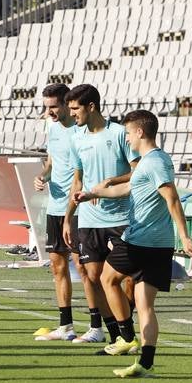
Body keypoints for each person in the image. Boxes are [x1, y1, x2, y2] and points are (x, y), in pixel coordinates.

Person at [73, 109, 192, 376]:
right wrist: (93, 193)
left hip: (139, 240)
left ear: (140, 132)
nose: (127, 139)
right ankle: (144, 363)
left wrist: (186, 236)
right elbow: (128, 188)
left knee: (106, 279)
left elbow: (172, 198)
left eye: (129, 133)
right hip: (158, 244)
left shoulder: (153, 162)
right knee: (144, 305)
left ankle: (126, 335)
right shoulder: (152, 161)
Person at [62, 83, 139, 348]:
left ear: (91, 106)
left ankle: (126, 328)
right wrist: (67, 216)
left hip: (121, 218)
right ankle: (117, 335)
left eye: (75, 109)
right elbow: (78, 178)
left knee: (124, 279)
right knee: (93, 278)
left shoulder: (119, 134)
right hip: (89, 220)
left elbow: (137, 171)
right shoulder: (76, 137)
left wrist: (110, 182)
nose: (72, 114)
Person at [31, 83, 96, 341]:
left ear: (67, 103)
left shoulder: (82, 131)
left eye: (53, 106)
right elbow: (52, 160)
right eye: (46, 107)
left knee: (83, 268)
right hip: (55, 206)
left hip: (78, 209)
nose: (49, 112)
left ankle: (96, 327)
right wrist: (43, 176)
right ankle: (66, 326)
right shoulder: (52, 128)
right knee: (58, 267)